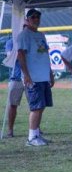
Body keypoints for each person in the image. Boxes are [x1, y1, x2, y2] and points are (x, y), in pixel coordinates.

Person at [17, 8, 54, 146]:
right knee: (36, 107)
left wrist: (50, 73)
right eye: (33, 17)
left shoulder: (41, 35)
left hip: (43, 76)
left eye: (38, 17)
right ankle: (31, 138)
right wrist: (26, 75)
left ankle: (37, 134)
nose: (36, 20)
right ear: (27, 20)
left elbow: (45, 55)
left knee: (42, 106)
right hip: (33, 78)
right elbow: (21, 56)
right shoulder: (24, 35)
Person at [5, 37, 24, 137]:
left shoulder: (28, 39)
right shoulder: (11, 42)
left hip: (32, 76)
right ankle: (10, 130)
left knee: (35, 105)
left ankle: (36, 128)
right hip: (16, 78)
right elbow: (11, 57)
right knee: (12, 104)